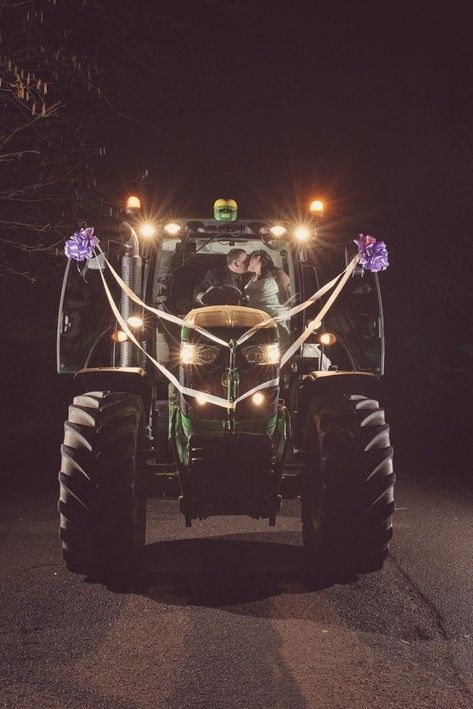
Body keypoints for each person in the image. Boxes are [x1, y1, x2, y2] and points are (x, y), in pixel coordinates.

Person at [244, 250, 291, 336]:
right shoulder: (253, 277)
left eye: (250, 260)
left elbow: (288, 295)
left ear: (257, 258)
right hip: (256, 318)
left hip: (273, 317)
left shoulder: (277, 273)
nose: (249, 263)